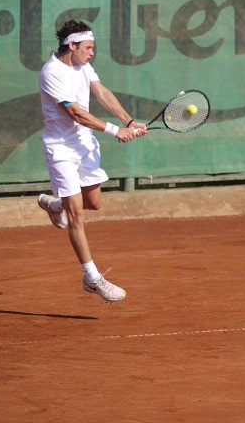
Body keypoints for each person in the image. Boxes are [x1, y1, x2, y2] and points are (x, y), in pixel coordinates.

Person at [36, 20, 147, 303]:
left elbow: (101, 93)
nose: (92, 53)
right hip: (61, 149)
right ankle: (92, 278)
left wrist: (128, 121)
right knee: (78, 216)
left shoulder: (82, 66)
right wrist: (114, 130)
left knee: (93, 203)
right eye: (88, 48)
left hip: (85, 145)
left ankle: (54, 204)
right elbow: (75, 113)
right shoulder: (52, 72)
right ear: (71, 45)